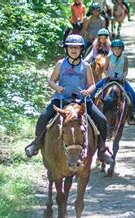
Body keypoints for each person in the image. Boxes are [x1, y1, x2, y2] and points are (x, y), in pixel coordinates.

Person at [24, 34, 114, 165]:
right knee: (43, 117)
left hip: (81, 101)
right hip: (62, 98)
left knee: (101, 120)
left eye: (77, 48)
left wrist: (87, 91)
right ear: (66, 49)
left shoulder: (86, 66)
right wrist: (57, 87)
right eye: (71, 47)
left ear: (81, 50)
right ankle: (36, 143)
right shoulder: (61, 64)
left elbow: (93, 85)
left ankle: (102, 150)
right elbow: (51, 80)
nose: (74, 50)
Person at [89, 39, 135, 125]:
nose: (117, 51)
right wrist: (107, 75)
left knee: (133, 94)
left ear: (122, 49)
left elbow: (125, 70)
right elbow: (105, 69)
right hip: (109, 79)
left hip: (120, 80)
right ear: (112, 49)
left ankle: (131, 115)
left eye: (119, 49)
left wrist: (124, 76)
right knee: (94, 90)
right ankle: (90, 110)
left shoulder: (125, 58)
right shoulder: (108, 57)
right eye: (115, 49)